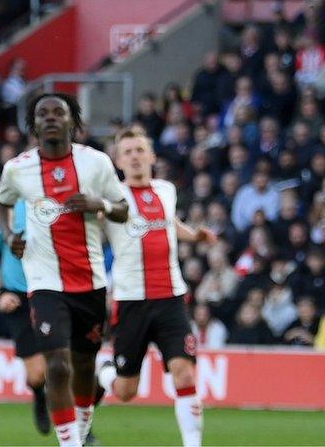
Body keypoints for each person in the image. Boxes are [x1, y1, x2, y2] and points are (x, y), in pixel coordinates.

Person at [0, 93, 128, 447]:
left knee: (84, 368)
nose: (51, 118)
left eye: (59, 112)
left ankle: (81, 434)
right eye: (43, 114)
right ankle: (69, 444)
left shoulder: (96, 164)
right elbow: (0, 201)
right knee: (57, 366)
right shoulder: (17, 168)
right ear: (33, 125)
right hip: (45, 283)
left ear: (73, 122)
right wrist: (9, 235)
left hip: (91, 281)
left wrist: (100, 204)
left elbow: (124, 209)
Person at [95, 127, 216, 447]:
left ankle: (193, 444)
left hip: (171, 298)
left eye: (139, 150)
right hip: (132, 301)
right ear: (118, 162)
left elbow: (169, 222)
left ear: (151, 156)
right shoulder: (112, 199)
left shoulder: (166, 190)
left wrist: (194, 235)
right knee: (125, 391)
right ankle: (102, 369)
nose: (134, 157)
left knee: (185, 373)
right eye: (128, 152)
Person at [0, 197, 50, 435]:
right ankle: (40, 395)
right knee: (38, 374)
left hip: (54, 293)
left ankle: (80, 425)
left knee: (64, 366)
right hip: (19, 298)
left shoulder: (55, 203)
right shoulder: (9, 209)